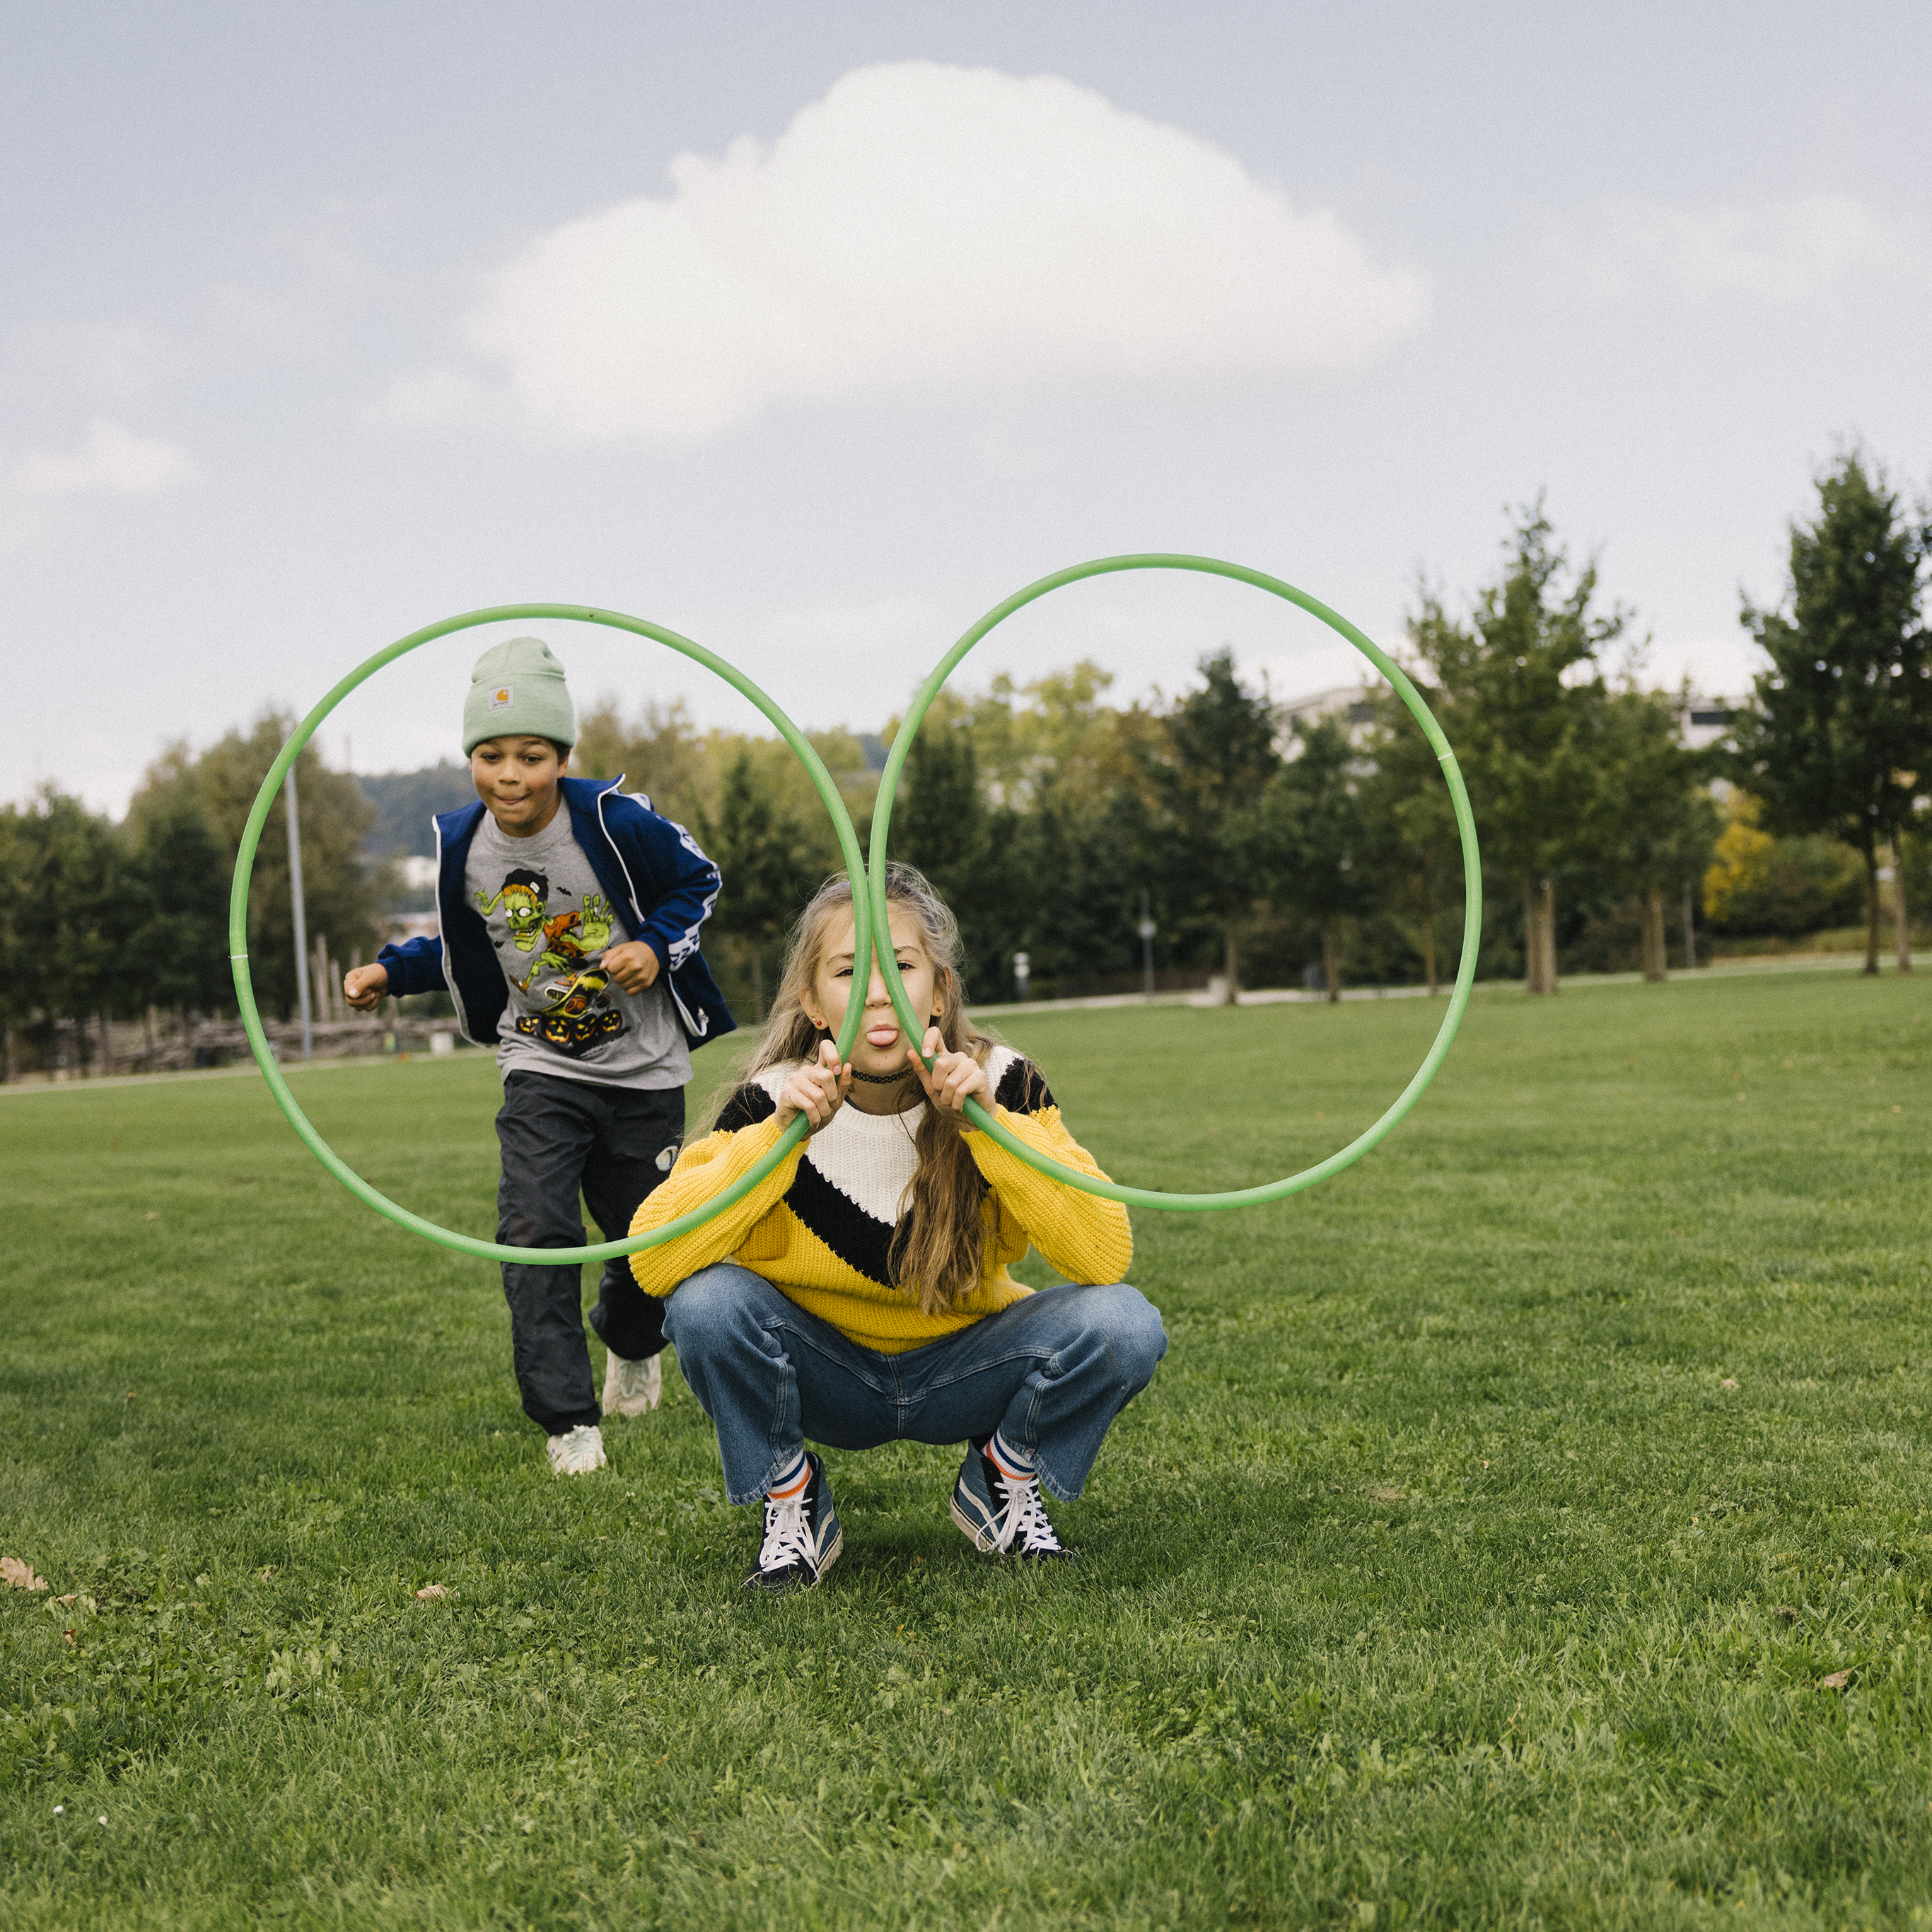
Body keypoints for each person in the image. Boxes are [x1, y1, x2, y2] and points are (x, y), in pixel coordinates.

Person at [629, 863, 1167, 1593]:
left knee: (1125, 1323)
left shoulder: (1003, 1081)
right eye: (850, 971)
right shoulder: (771, 1098)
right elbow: (654, 1259)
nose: (878, 991)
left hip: (966, 1366)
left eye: (901, 965)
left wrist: (989, 1127)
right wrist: (779, 1137)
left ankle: (1001, 1478)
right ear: (815, 1004)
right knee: (705, 1303)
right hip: (823, 1372)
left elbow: (1102, 1254)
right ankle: (792, 1496)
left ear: (938, 990)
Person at [344, 636, 733, 1475]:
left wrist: (655, 947)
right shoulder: (465, 847)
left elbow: (698, 879)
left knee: (646, 1247)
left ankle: (631, 1342)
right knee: (535, 1228)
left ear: (562, 756)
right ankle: (568, 1420)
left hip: (641, 1072)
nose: (509, 774)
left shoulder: (613, 821)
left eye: (530, 754)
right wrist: (388, 969)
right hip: (540, 1066)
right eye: (490, 755)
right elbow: (460, 944)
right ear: (470, 759)